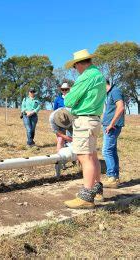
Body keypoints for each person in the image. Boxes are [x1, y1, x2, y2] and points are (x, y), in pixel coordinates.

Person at [63, 49, 107, 209]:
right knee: (93, 156)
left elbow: (69, 99)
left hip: (84, 121)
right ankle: (97, 189)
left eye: (75, 67)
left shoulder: (86, 76)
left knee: (84, 158)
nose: (76, 70)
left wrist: (69, 96)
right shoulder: (99, 75)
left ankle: (86, 196)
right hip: (95, 119)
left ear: (79, 64)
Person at [102, 79, 125, 188]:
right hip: (109, 125)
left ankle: (112, 177)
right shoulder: (110, 93)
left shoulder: (115, 91)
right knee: (112, 150)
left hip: (112, 126)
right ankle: (114, 178)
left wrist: (111, 123)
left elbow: (121, 107)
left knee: (106, 150)